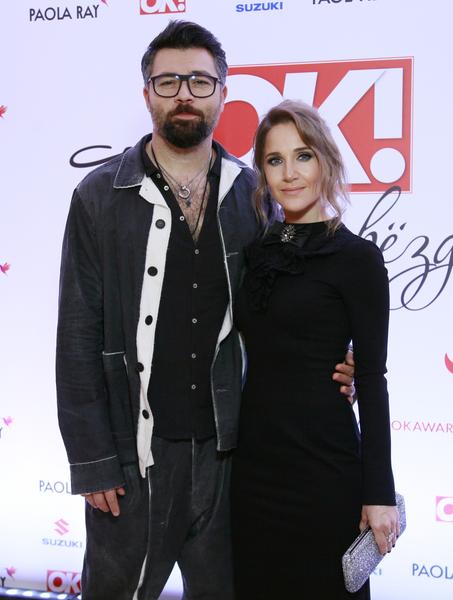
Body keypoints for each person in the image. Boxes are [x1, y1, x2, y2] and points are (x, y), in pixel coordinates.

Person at [55, 22, 354, 600]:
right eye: (168, 82)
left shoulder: (254, 194)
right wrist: (92, 460)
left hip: (231, 456)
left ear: (223, 93)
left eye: (199, 81)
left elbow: (285, 311)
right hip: (133, 458)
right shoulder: (98, 197)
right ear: (147, 94)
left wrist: (337, 360)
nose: (184, 94)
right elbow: (76, 334)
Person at [230, 100, 399, 600]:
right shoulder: (255, 253)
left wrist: (379, 493)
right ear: (262, 172)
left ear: (325, 159)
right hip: (254, 470)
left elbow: (372, 379)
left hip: (325, 471)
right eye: (274, 160)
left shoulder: (358, 259)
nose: (289, 173)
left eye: (302, 156)